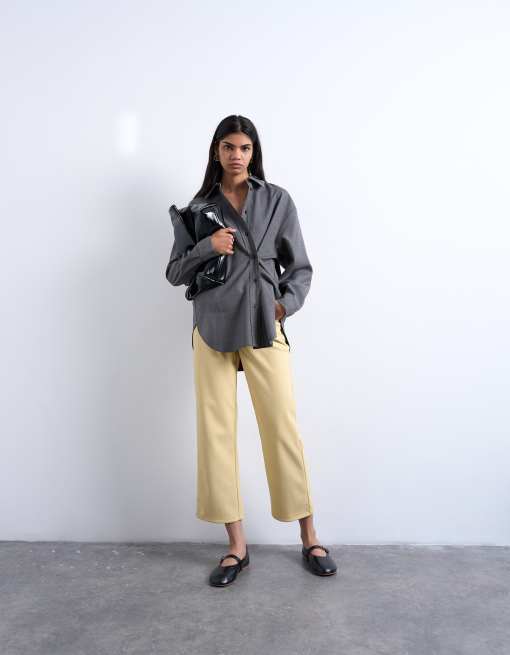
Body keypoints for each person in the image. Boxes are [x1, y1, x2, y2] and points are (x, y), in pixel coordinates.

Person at [165, 114, 337, 586]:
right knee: (216, 434)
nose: (236, 155)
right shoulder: (198, 208)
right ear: (216, 152)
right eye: (228, 147)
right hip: (213, 326)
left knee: (282, 427)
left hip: (264, 323)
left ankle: (310, 537)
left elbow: (300, 268)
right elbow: (175, 272)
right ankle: (236, 547)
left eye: (244, 147)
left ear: (253, 152)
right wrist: (207, 246)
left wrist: (283, 306)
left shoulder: (277, 199)